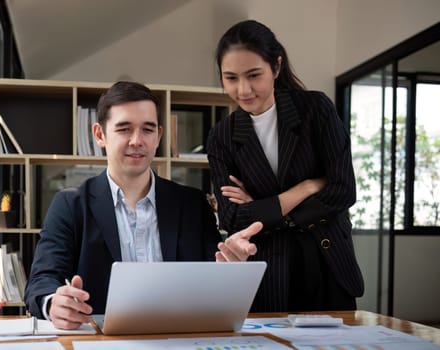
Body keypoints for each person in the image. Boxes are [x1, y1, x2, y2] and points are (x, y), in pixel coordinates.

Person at [24, 81, 262, 330]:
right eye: (124, 129)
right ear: (100, 135)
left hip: (180, 340)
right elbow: (41, 281)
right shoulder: (70, 205)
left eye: (147, 130)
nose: (137, 141)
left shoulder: (192, 205)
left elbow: (213, 282)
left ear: (158, 136)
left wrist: (231, 269)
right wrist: (53, 304)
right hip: (102, 342)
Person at [207, 20, 364, 312]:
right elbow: (231, 218)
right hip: (267, 272)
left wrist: (264, 208)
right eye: (230, 78)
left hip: (326, 262)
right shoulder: (222, 137)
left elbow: (343, 190)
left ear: (276, 67)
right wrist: (307, 186)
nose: (243, 89)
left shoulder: (316, 109)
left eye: (254, 75)